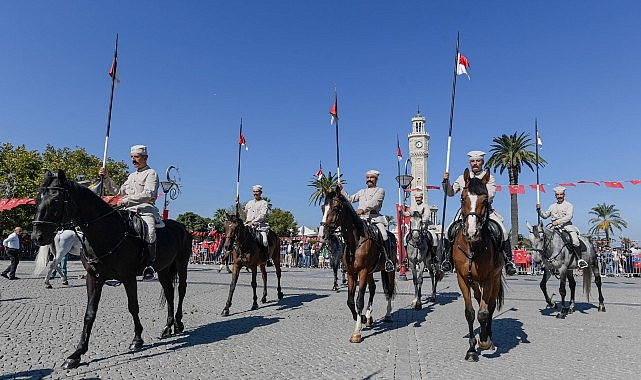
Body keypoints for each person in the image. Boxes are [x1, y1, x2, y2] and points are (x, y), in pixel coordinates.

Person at [442, 150, 517, 275]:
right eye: (472, 161)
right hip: (466, 213)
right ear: (469, 163)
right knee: (448, 231)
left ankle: (509, 261)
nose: (475, 163)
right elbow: (450, 192)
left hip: (484, 211)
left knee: (503, 231)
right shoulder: (462, 178)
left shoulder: (488, 178)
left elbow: (491, 194)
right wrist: (445, 182)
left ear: (482, 162)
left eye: (478, 161)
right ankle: (447, 259)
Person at [99, 144, 163, 280]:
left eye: (136, 157)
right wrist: (106, 178)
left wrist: (127, 201)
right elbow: (117, 191)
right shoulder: (131, 176)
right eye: (132, 157)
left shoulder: (151, 173)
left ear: (145, 157)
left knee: (150, 233)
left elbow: (149, 194)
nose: (133, 160)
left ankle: (149, 265)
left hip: (146, 209)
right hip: (128, 209)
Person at [338, 169, 395, 272]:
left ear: (376, 179)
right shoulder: (361, 192)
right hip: (360, 219)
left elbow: (375, 203)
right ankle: (346, 261)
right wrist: (342, 190)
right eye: (368, 177)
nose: (369, 179)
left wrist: (363, 209)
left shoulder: (380, 190)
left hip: (374, 218)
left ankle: (387, 260)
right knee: (345, 236)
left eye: (371, 177)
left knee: (384, 235)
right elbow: (350, 199)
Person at [536, 186, 588, 268]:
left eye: (561, 194)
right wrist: (539, 210)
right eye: (558, 195)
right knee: (544, 240)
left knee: (575, 241)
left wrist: (558, 222)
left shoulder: (569, 205)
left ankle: (579, 260)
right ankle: (545, 260)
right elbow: (545, 216)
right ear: (555, 196)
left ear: (564, 195)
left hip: (567, 227)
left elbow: (569, 216)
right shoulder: (552, 206)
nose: (559, 196)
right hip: (554, 228)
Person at [402, 192, 443, 276]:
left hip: (426, 226)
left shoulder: (425, 206)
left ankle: (434, 256)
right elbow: (407, 214)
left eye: (419, 197)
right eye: (416, 197)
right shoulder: (412, 207)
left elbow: (427, 216)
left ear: (422, 198)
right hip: (414, 228)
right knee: (404, 239)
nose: (418, 199)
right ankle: (406, 258)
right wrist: (401, 211)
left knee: (434, 238)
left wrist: (421, 222)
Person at [238, 184, 271, 259]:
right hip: (247, 225)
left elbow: (263, 215)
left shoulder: (264, 203)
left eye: (257, 191)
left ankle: (266, 257)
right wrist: (238, 203)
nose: (255, 193)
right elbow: (242, 212)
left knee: (265, 241)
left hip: (259, 226)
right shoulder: (249, 202)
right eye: (254, 191)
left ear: (260, 192)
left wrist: (253, 222)